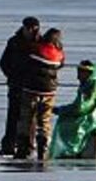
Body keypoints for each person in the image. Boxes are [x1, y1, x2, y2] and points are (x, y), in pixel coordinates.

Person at [12, 28, 65, 160]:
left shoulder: (36, 49)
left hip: (31, 89)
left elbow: (24, 62)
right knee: (45, 120)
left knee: (27, 118)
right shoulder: (59, 54)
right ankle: (43, 148)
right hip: (50, 91)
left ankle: (24, 148)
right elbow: (60, 66)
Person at [0, 16, 41, 156]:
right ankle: (8, 146)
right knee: (13, 116)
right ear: (24, 27)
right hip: (16, 84)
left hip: (33, 86)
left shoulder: (42, 42)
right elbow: (4, 62)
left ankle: (28, 146)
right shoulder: (14, 42)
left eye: (35, 28)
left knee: (31, 118)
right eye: (29, 28)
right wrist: (12, 76)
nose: (32, 30)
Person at [50, 60, 96, 160]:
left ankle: (73, 149)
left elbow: (81, 108)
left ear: (88, 73)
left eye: (80, 73)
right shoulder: (90, 84)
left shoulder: (92, 85)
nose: (78, 77)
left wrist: (61, 110)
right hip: (95, 115)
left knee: (66, 123)